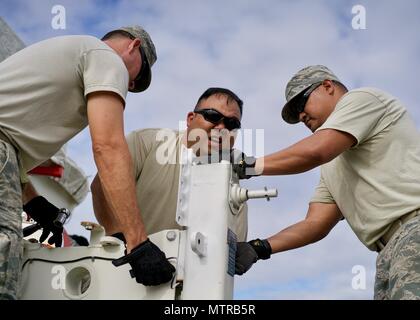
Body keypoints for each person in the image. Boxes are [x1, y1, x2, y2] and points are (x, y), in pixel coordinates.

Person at [0, 25, 175, 300]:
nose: (131, 85)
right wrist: (137, 241)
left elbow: (9, 133)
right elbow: (107, 147)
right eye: (138, 76)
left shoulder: (69, 52)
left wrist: (32, 200)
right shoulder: (106, 58)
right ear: (134, 46)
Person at [234, 65, 420, 300]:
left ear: (328, 86)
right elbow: (316, 224)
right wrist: (259, 247)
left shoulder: (362, 99)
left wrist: (246, 166)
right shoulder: (333, 165)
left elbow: (316, 150)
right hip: (387, 253)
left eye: (301, 104)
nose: (301, 116)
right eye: (296, 115)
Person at [91, 87, 248, 246]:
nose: (221, 128)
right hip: (123, 262)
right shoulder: (148, 142)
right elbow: (101, 187)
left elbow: (234, 249)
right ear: (190, 119)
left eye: (231, 123)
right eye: (213, 116)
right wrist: (126, 241)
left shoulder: (233, 187)